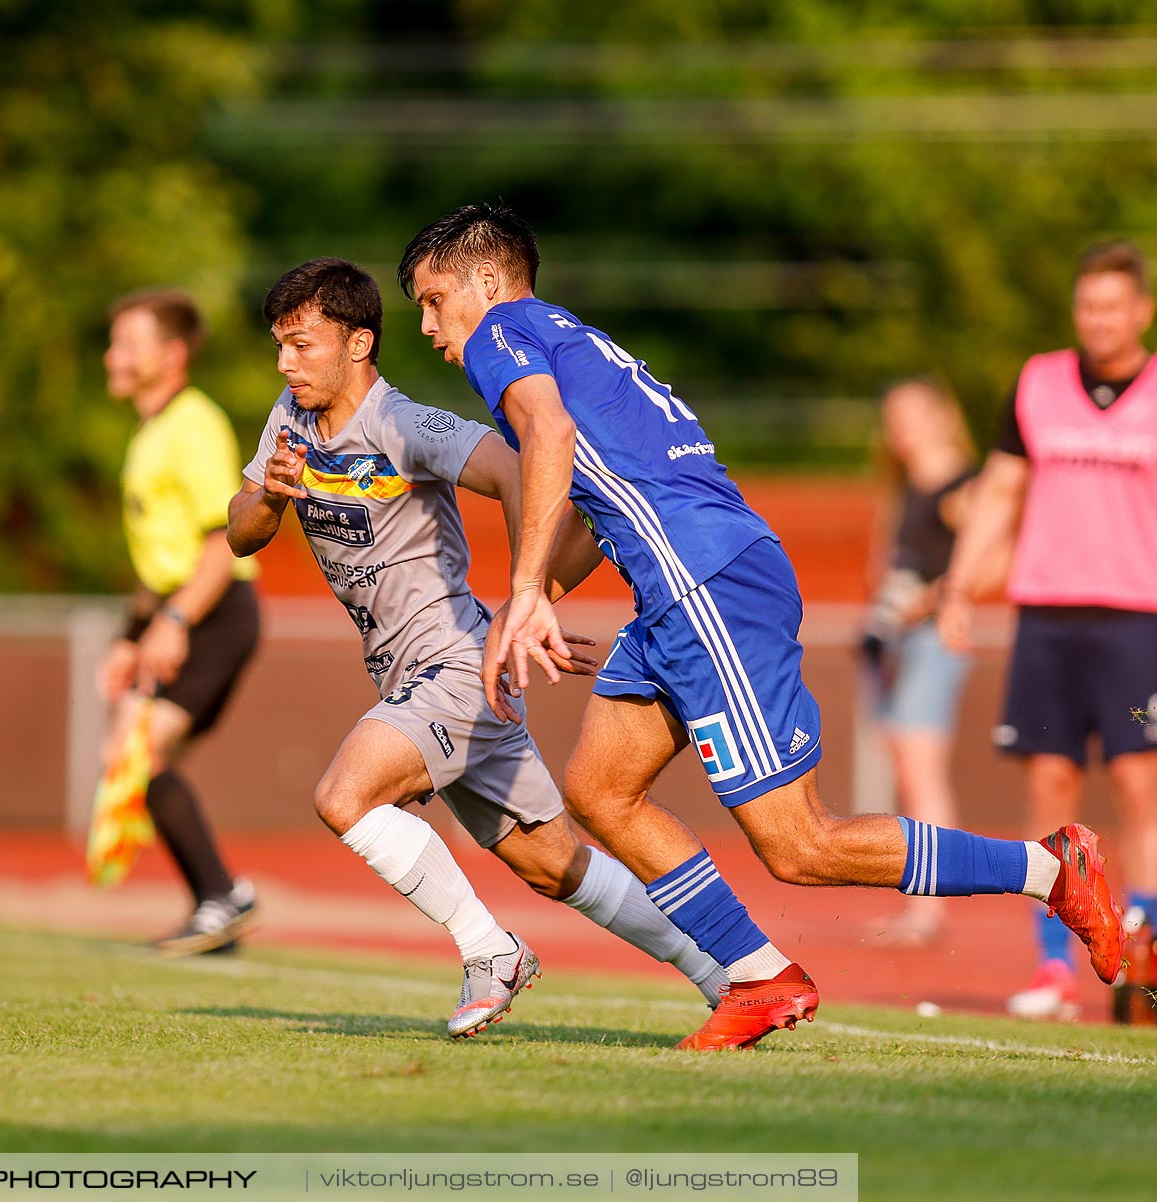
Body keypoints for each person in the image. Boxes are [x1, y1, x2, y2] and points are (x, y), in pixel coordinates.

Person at [397, 201, 1125, 1049]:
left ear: (487, 281)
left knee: (799, 845)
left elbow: (547, 436)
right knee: (600, 789)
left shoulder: (503, 333)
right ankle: (760, 976)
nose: (426, 324)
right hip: (683, 587)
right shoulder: (575, 340)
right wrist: (532, 598)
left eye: (432, 298)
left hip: (706, 585)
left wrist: (523, 591)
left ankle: (1049, 868)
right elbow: (596, 506)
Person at [227, 257, 727, 1039]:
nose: (286, 362)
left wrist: (529, 598)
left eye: (301, 344)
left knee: (343, 798)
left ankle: (489, 952)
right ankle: (724, 974)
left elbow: (525, 469)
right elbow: (241, 535)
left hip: (455, 664)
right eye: (279, 346)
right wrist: (269, 494)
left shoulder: (407, 426)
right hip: (414, 677)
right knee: (554, 864)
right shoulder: (287, 421)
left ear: (359, 344)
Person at [939, 239, 1157, 1021]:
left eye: (1113, 305)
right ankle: (1056, 967)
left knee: (1143, 783)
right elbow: (999, 491)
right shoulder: (1038, 382)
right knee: (1050, 787)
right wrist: (962, 585)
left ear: (1141, 311)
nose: (1098, 319)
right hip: (1048, 618)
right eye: (1087, 304)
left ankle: (1146, 953)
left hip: (1139, 622)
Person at [99, 288, 259, 955]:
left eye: (125, 344)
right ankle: (218, 902)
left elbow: (219, 542)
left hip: (214, 613)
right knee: (135, 760)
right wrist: (129, 637)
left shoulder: (193, 424)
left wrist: (173, 621)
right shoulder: (150, 430)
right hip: (183, 612)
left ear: (170, 356)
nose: (111, 356)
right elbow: (157, 560)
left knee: (139, 756)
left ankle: (222, 898)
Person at [859, 377, 981, 946]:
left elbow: (984, 561)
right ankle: (927, 898)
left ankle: (932, 904)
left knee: (921, 769)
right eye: (892, 417)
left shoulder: (962, 483)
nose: (898, 428)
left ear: (939, 415)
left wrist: (924, 604)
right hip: (902, 640)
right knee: (908, 765)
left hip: (935, 639)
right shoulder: (905, 484)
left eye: (909, 415)